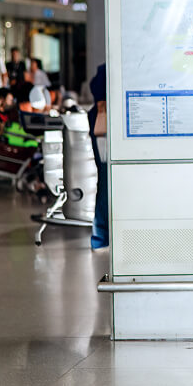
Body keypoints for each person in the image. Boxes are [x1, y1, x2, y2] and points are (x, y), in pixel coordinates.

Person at [87, 64, 108, 250]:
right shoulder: (107, 69)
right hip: (104, 133)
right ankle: (101, 237)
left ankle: (102, 237)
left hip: (103, 131)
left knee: (105, 182)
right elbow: (99, 100)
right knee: (106, 182)